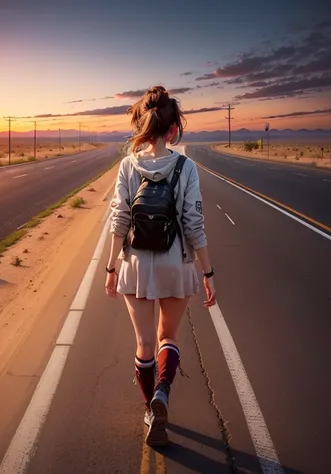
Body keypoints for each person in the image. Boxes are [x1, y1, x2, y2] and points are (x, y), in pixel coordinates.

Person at [105, 85, 216, 447]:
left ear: (142, 125)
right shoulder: (187, 168)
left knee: (143, 342)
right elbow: (194, 224)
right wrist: (208, 272)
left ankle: (150, 410)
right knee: (168, 336)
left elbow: (119, 220)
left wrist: (110, 268)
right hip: (175, 264)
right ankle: (163, 393)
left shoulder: (126, 165)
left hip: (135, 264)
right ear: (172, 130)